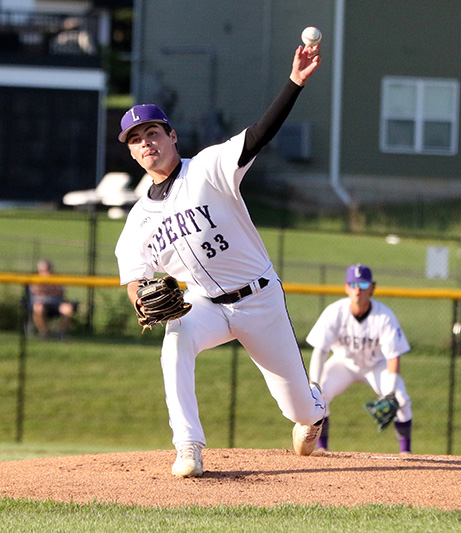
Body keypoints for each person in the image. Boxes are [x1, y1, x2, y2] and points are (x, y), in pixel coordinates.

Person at [114, 39, 326, 477]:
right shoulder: (138, 219)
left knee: (298, 409)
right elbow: (135, 276)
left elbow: (259, 135)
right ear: (132, 153)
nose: (146, 142)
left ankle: (314, 409)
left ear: (171, 136)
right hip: (204, 305)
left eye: (153, 132)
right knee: (175, 341)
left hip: (260, 301)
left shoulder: (209, 167)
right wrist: (140, 300)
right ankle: (188, 446)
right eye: (136, 139)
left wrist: (294, 83)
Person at [305, 264, 413, 455]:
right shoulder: (335, 312)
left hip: (375, 365)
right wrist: (315, 383)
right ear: (346, 287)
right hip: (343, 364)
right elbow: (320, 351)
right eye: (353, 284)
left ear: (372, 287)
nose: (357, 289)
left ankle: (406, 452)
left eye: (363, 284)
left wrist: (389, 392)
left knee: (400, 399)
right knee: (319, 398)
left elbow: (393, 356)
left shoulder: (384, 316)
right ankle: (322, 449)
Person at [28, 259, 75, 339]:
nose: (46, 272)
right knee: (38, 308)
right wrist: (49, 290)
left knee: (67, 308)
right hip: (40, 303)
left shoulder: (57, 278)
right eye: (42, 270)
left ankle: (61, 333)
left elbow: (61, 292)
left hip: (56, 303)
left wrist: (45, 291)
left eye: (47, 270)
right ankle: (44, 332)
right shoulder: (35, 278)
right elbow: (36, 291)